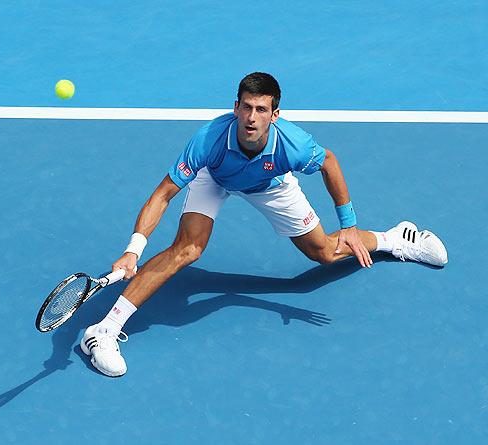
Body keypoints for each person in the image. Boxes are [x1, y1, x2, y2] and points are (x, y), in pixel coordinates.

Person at [79, 72, 448, 377]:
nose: (252, 117)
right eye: (246, 108)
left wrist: (348, 224)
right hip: (217, 176)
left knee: (323, 253)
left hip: (270, 184)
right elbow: (163, 194)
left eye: (261, 109)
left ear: (275, 114)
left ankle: (394, 238)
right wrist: (133, 250)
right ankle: (102, 331)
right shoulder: (208, 140)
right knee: (188, 249)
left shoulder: (294, 145)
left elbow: (330, 162)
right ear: (235, 107)